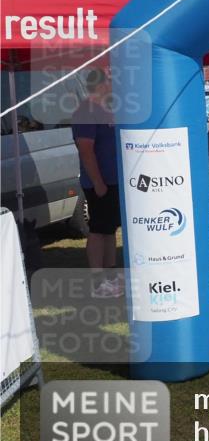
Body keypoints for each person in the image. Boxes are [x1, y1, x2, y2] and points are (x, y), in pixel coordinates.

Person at [71, 69, 123, 297]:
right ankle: (97, 281)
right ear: (101, 84)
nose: (114, 84)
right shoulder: (86, 111)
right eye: (111, 80)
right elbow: (85, 149)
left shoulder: (107, 109)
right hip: (99, 182)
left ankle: (111, 276)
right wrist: (98, 182)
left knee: (110, 229)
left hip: (113, 180)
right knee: (98, 229)